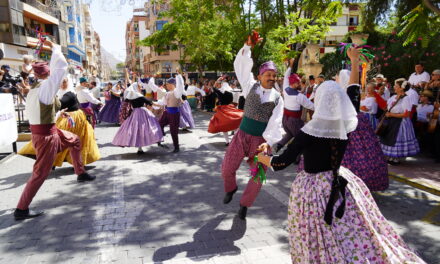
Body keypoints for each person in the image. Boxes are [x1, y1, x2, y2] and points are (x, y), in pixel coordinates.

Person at [256, 80, 426, 264]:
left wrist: (262, 157)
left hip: (313, 190)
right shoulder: (345, 126)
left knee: (318, 231)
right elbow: (353, 95)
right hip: (340, 180)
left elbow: (280, 163)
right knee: (350, 229)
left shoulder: (309, 131)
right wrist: (353, 63)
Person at [14, 40, 95, 221]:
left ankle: (80, 173)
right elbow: (61, 67)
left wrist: (59, 114)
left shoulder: (34, 90)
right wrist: (54, 47)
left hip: (49, 131)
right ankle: (21, 209)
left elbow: (42, 111)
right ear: (48, 74)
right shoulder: (45, 87)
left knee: (74, 140)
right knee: (40, 173)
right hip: (46, 136)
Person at [222, 34, 284, 220]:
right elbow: (241, 67)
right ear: (260, 76)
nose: (272, 78)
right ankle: (231, 188)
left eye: (274, 75)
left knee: (258, 177)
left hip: (262, 142)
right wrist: (247, 47)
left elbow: (276, 122)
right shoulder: (250, 86)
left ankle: (244, 205)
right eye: (268, 75)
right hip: (242, 135)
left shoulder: (278, 98)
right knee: (227, 168)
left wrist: (269, 142)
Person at [335, 48, 388, 191]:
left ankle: (350, 185)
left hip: (348, 129)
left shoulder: (349, 94)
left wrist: (354, 61)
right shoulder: (341, 95)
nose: (335, 78)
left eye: (337, 77)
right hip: (350, 127)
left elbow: (353, 85)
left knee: (348, 158)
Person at [19, 78, 101, 168]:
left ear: (68, 82)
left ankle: (77, 164)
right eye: (60, 83)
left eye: (64, 82)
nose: (62, 84)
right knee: (61, 140)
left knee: (79, 140)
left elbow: (60, 105)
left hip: (74, 119)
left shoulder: (70, 93)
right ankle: (57, 161)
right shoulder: (57, 93)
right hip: (64, 117)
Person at [275, 58, 314, 152]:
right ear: (295, 83)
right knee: (300, 138)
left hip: (285, 120)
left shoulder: (285, 89)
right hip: (294, 121)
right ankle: (294, 156)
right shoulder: (299, 96)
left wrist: (291, 65)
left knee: (290, 134)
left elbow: (286, 75)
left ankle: (278, 146)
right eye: (298, 82)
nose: (300, 84)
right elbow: (311, 106)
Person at [380, 78, 420, 165]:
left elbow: (406, 114)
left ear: (401, 88)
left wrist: (391, 115)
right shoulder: (393, 97)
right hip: (391, 121)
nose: (394, 87)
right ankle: (390, 156)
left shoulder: (406, 99)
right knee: (389, 138)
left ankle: (396, 158)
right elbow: (386, 107)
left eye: (396, 86)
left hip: (400, 122)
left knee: (397, 138)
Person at [112, 89, 163, 154]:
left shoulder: (130, 97)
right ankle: (153, 140)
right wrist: (160, 105)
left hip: (135, 113)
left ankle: (140, 148)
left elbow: (124, 100)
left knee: (137, 130)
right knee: (147, 128)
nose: (141, 88)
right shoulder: (140, 96)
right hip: (142, 112)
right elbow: (151, 103)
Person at [208, 77, 244, 145]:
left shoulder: (220, 92)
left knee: (224, 127)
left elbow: (214, 88)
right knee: (235, 124)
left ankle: (227, 141)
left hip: (223, 110)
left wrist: (217, 81)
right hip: (231, 108)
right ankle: (235, 140)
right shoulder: (231, 93)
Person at [158, 72, 185, 153]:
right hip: (167, 112)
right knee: (159, 123)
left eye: (168, 84)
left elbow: (180, 86)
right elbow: (163, 103)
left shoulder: (177, 92)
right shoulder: (167, 93)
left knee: (173, 131)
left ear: (171, 84)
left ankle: (176, 147)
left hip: (174, 113)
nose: (166, 86)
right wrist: (152, 103)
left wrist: (179, 77)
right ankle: (160, 136)